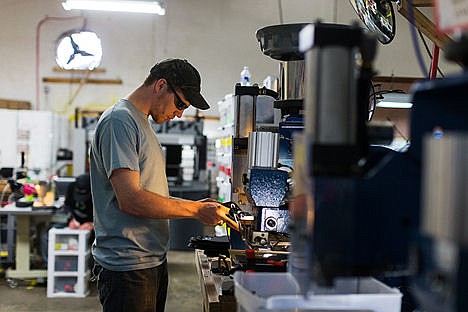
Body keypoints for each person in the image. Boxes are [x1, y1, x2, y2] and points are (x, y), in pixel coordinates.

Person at [89, 58, 238, 312]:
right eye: (180, 103)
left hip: (148, 261)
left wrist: (193, 204)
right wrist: (195, 211)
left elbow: (150, 194)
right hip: (128, 268)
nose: (180, 113)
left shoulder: (141, 123)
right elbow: (131, 199)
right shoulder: (120, 121)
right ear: (160, 86)